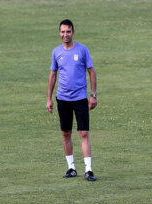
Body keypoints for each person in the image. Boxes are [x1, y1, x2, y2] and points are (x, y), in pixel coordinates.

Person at [46, 19, 97, 181]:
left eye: (68, 31)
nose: (65, 35)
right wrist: (49, 98)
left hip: (80, 98)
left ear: (73, 32)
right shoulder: (56, 52)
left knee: (83, 133)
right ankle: (71, 168)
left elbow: (91, 71)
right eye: (62, 32)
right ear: (59, 33)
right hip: (63, 99)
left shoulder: (82, 50)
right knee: (65, 133)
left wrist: (93, 94)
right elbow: (53, 75)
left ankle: (88, 170)